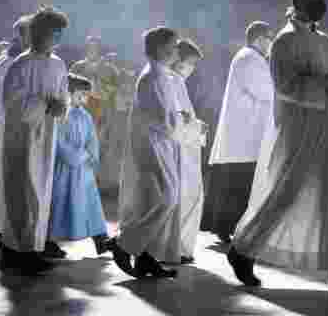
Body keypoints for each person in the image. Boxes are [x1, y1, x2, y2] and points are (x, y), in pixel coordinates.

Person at [227, 0, 328, 295]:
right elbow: (287, 88)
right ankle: (242, 250)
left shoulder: (324, 41)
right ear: (297, 1)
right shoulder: (283, 42)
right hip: (299, 130)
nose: (321, 3)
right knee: (286, 192)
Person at [0, 6, 70, 274]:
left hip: (47, 136)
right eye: (54, 33)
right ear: (39, 33)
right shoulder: (21, 64)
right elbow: (12, 103)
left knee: (40, 192)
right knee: (22, 191)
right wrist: (43, 104)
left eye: (60, 34)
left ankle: (34, 246)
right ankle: (18, 249)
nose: (58, 39)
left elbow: (62, 96)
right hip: (23, 138)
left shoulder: (58, 64)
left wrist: (61, 107)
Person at [112, 27, 185, 279]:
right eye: (174, 45)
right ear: (160, 48)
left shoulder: (162, 75)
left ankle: (145, 256)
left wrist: (178, 119)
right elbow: (158, 117)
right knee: (166, 197)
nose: (177, 49)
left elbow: (166, 114)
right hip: (152, 145)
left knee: (156, 201)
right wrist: (178, 123)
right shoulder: (151, 77)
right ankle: (124, 244)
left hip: (162, 143)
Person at [206, 21, 274, 244]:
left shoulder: (251, 58)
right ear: (259, 39)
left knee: (238, 181)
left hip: (246, 132)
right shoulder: (249, 59)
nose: (271, 44)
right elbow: (265, 90)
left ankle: (230, 226)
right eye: (269, 39)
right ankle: (225, 226)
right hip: (243, 134)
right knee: (236, 181)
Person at [45, 74, 113, 258]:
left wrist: (91, 155)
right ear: (69, 92)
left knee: (91, 202)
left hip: (83, 170)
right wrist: (77, 156)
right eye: (81, 94)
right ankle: (50, 240)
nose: (85, 99)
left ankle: (101, 239)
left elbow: (92, 139)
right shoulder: (60, 115)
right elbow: (58, 141)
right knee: (60, 202)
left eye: (86, 95)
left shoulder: (85, 115)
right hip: (65, 169)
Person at [0, 16, 32, 231]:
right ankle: (7, 230)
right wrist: (8, 125)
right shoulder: (7, 61)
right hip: (8, 128)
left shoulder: (29, 59)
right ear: (21, 35)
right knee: (8, 179)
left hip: (24, 129)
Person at [169, 39, 208, 264]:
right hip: (180, 149)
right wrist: (196, 126)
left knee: (190, 196)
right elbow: (179, 119)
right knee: (186, 196)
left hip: (187, 146)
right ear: (179, 60)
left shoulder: (177, 82)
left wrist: (195, 124)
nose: (191, 69)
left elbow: (185, 117)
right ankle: (178, 247)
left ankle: (181, 247)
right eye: (190, 63)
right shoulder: (173, 81)